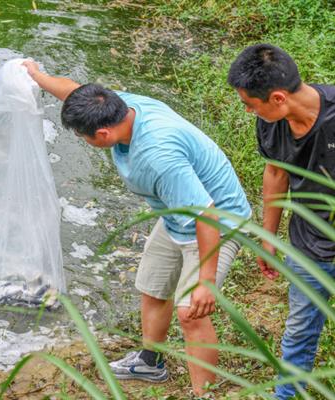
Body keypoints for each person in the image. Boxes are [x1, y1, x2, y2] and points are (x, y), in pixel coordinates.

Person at [22, 60, 251, 396]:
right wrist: (37, 77)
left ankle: (206, 393)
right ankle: (150, 362)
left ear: (102, 134)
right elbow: (74, 91)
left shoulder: (157, 155)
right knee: (153, 287)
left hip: (217, 223)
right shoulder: (119, 106)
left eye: (81, 136)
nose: (81, 139)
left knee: (191, 311)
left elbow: (207, 215)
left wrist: (205, 282)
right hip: (176, 214)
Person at [228, 44, 335, 399]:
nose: (246, 111)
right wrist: (267, 235)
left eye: (249, 103)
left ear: (276, 97)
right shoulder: (270, 124)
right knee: (300, 329)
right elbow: (275, 172)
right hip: (310, 245)